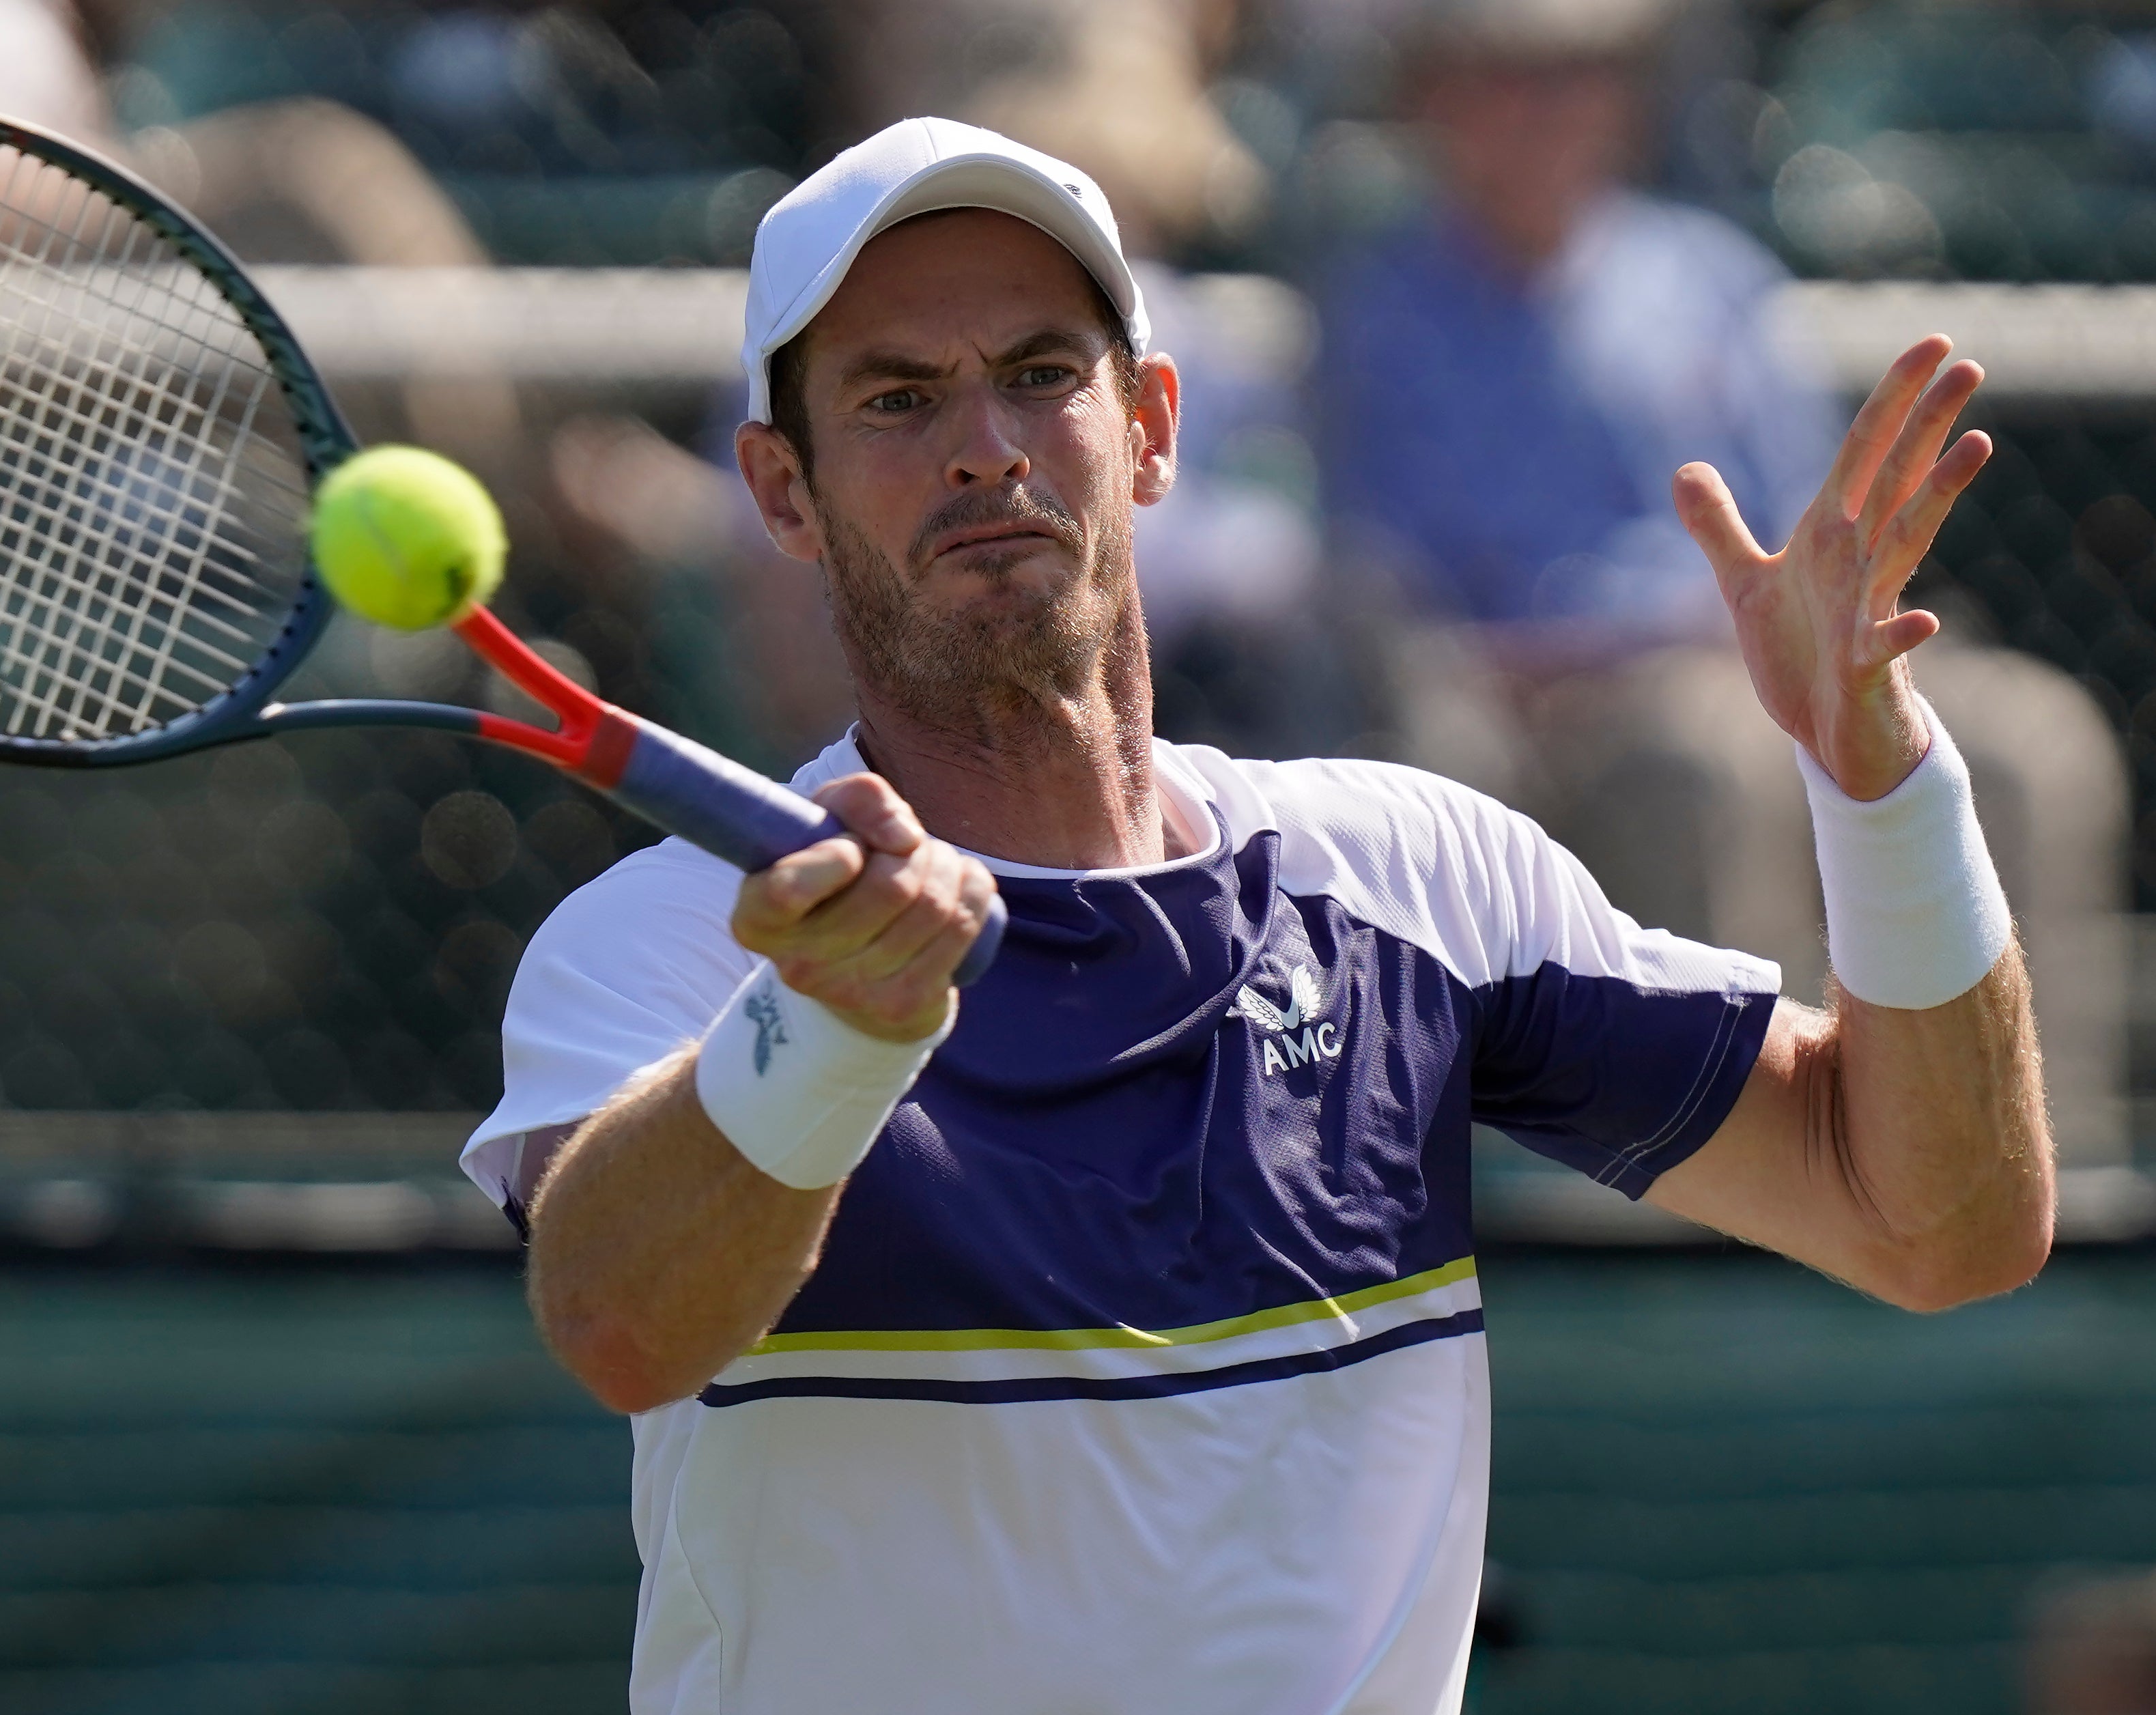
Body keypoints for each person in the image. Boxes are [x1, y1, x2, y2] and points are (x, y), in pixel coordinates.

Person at [460, 116, 2050, 1713]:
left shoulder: (1418, 875)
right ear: (781, 493)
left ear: (1152, 428)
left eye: (1039, 371)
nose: (983, 444)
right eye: (896, 396)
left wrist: (1881, 782)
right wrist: (822, 1029)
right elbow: (618, 1322)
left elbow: (1938, 1222)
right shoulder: (677, 940)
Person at [1315, 0, 2130, 1161]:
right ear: (1433, 99)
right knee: (1702, 762)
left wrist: (1801, 636)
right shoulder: (1377, 311)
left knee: (2035, 741)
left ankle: (2035, 1177)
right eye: (1509, 76)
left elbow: (1817, 526)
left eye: (1583, 75)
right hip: (1559, 692)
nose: (1550, 109)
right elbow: (1386, 585)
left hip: (1767, 650)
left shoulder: (1711, 275)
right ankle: (1776, 1200)